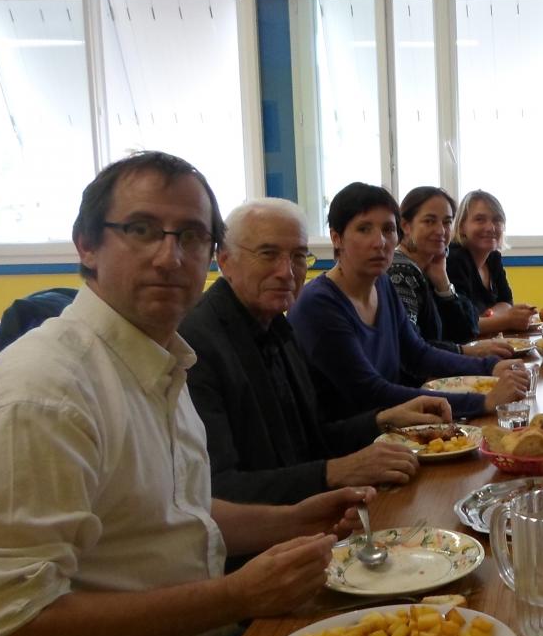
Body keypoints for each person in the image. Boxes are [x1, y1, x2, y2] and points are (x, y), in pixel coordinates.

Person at [0, 152, 370, 636]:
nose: (170, 256)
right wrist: (234, 596)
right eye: (141, 229)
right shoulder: (44, 391)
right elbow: (7, 630)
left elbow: (174, 510)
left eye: (191, 235)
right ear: (86, 246)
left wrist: (289, 520)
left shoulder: (160, 360)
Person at [182, 198, 455, 505]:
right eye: (268, 254)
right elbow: (215, 491)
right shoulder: (195, 346)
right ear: (224, 259)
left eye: (299, 256)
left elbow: (311, 439)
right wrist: (334, 471)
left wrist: (384, 420)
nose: (287, 272)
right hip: (267, 542)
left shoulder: (277, 329)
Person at [289, 183, 528, 422]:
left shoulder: (381, 284)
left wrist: (490, 367)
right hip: (349, 444)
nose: (380, 242)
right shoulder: (320, 304)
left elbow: (418, 353)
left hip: (392, 427)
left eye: (388, 229)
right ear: (336, 237)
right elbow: (369, 392)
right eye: (364, 229)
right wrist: (483, 401)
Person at [390, 187, 510, 358]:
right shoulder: (401, 272)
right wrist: (468, 352)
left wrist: (443, 282)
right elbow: (407, 349)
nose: (441, 231)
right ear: (405, 226)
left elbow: (467, 330)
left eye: (446, 222)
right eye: (429, 221)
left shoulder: (431, 267)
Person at [446, 189, 537, 335]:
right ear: (462, 226)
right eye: (480, 219)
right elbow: (461, 325)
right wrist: (507, 320)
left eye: (497, 220)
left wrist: (488, 317)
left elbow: (507, 302)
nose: (490, 227)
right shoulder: (454, 259)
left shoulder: (493, 256)